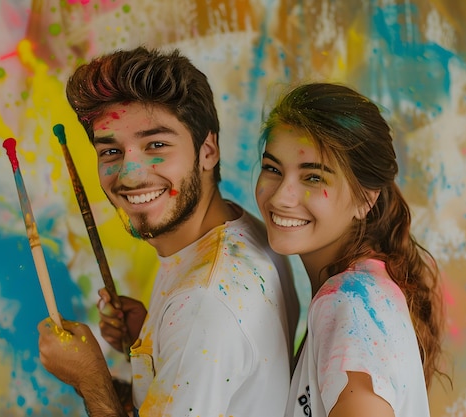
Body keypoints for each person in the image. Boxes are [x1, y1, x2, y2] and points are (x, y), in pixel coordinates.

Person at [37, 46, 300, 417]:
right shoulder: (242, 230)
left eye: (156, 145)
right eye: (111, 152)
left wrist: (90, 378)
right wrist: (152, 337)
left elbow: (205, 327)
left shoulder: (203, 307)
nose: (130, 175)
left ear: (207, 150)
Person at [254, 82, 447, 417]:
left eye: (313, 178)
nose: (280, 197)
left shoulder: (348, 303)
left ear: (365, 198)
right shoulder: (364, 289)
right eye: (273, 168)